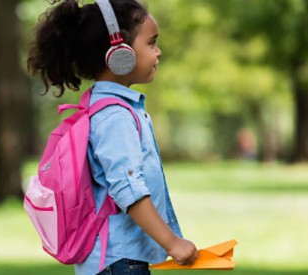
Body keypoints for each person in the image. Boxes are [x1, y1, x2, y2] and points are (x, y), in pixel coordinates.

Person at [27, 0, 198, 274]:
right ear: (120, 54)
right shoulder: (114, 117)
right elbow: (128, 190)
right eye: (151, 43)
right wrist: (173, 243)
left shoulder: (106, 108)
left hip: (116, 260)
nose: (158, 51)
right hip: (118, 262)